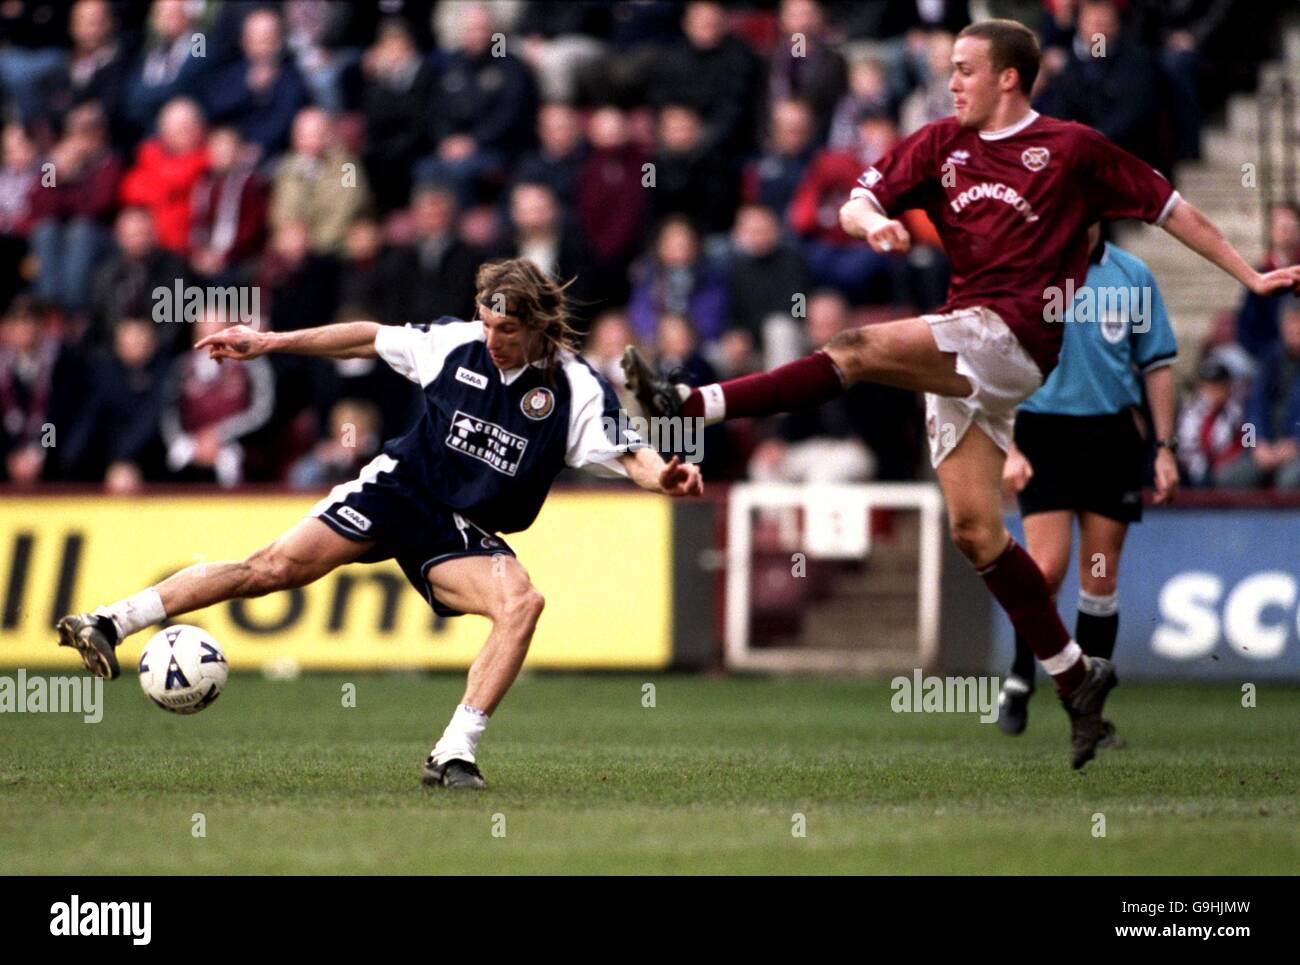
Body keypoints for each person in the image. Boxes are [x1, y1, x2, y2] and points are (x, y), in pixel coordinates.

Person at [624, 18, 1300, 770]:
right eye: (950, 69)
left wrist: (1251, 275)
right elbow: (857, 198)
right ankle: (1077, 678)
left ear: (1009, 76)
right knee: (976, 532)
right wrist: (871, 221)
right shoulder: (942, 143)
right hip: (961, 338)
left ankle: (689, 404)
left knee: (856, 348)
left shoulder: (1072, 148)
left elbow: (1174, 209)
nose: (952, 82)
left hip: (1013, 340)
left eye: (965, 69)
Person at [56, 257, 703, 790]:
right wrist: (272, 343)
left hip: (458, 528)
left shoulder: (573, 389)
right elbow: (369, 336)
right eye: (483, 323)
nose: (488, 338)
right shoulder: (454, 343)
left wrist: (665, 476)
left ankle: (453, 751)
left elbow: (629, 454)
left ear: (534, 325)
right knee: (268, 568)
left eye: (502, 329)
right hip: (399, 486)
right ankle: (111, 621)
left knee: (522, 602)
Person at [997, 224, 1179, 739]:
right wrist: (1008, 446)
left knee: (1100, 578)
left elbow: (1158, 364)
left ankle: (1087, 713)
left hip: (1110, 439)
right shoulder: (1025, 268)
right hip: (1043, 434)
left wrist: (1165, 449)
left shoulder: (1131, 274)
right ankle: (1018, 675)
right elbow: (995, 364)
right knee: (1046, 570)